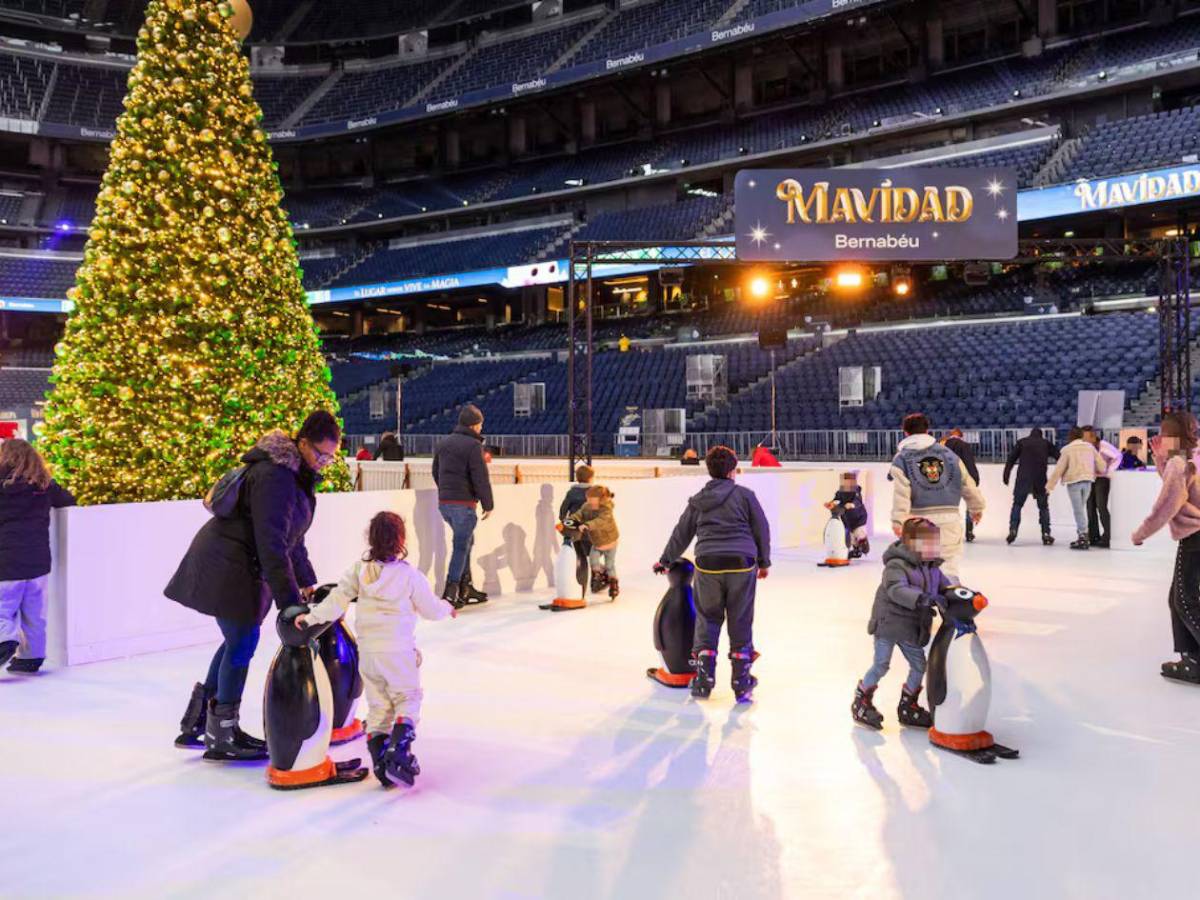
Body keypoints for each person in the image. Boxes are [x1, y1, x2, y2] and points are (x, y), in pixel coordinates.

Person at [165, 411, 341, 760]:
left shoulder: (295, 475)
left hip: (237, 563)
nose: (324, 463)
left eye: (330, 457)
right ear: (302, 443)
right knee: (243, 641)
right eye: (319, 454)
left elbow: (293, 538)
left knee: (235, 640)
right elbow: (272, 542)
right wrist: (288, 604)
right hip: (228, 565)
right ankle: (223, 735)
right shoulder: (276, 476)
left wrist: (306, 581)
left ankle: (200, 721)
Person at [295, 511, 456, 788]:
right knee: (407, 698)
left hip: (368, 653)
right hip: (398, 651)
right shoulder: (409, 576)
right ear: (401, 539)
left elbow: (335, 602)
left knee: (379, 706)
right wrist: (448, 608)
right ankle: (399, 750)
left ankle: (381, 765)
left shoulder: (358, 571)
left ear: (370, 539)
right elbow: (430, 609)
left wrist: (309, 618)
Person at [655, 445, 771, 702]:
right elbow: (761, 528)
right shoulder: (745, 496)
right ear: (733, 470)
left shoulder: (698, 500)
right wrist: (764, 562)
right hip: (742, 563)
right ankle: (741, 682)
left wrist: (665, 560)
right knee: (740, 619)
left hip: (708, 564)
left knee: (707, 618)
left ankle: (703, 680)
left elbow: (681, 532)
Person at [851, 517, 950, 730]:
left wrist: (959, 595)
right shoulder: (896, 565)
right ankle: (861, 700)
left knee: (919, 665)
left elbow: (945, 587)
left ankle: (908, 705)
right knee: (881, 665)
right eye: (928, 542)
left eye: (935, 541)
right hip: (888, 623)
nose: (934, 546)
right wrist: (923, 598)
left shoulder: (932, 567)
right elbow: (897, 589)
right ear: (910, 543)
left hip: (910, 627)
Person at [1132, 412, 1200, 684]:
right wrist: (1162, 459)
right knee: (1180, 598)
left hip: (1195, 536)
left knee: (1184, 601)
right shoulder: (1190, 457)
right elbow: (1178, 487)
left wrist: (1141, 533)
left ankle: (1193, 660)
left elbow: (1167, 504)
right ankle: (1192, 660)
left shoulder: (1179, 462)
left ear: (1172, 434)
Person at [0, 439, 75, 674]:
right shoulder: (45, 485)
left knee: (2, 608)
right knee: (35, 614)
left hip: (6, 561)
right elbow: (69, 500)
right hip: (38, 562)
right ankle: (31, 658)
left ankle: (5, 639)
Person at [890, 413, 984, 582]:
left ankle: (923, 605)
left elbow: (901, 493)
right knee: (949, 568)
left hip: (919, 521)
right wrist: (976, 508)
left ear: (905, 432)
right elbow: (967, 483)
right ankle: (952, 604)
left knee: (921, 570)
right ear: (927, 430)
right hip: (949, 519)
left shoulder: (901, 459)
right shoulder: (950, 455)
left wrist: (898, 521)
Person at [432, 404, 494, 609]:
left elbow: (435, 472)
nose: (481, 429)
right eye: (480, 425)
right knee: (461, 546)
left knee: (467, 541)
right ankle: (451, 590)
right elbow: (480, 478)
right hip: (463, 505)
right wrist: (488, 503)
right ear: (475, 425)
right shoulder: (473, 446)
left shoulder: (444, 443)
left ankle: (466, 588)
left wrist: (446, 492)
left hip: (445, 504)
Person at [1047, 426, 1107, 551]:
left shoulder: (1067, 450)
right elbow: (1102, 465)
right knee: (1081, 509)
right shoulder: (1090, 448)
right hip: (1088, 481)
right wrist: (1097, 471)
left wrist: (1049, 486)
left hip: (1074, 481)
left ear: (1070, 436)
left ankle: (1083, 536)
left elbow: (1059, 469)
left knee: (1078, 510)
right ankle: (1083, 534)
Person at [1003, 427, 1060, 545]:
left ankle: (1013, 529)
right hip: (1040, 479)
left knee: (1017, 505)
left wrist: (1006, 475)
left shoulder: (1022, 442)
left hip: (1023, 479)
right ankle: (1046, 533)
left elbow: (1011, 459)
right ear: (1041, 435)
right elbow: (1059, 457)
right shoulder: (1046, 444)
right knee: (1043, 507)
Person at [572, 485, 620, 599]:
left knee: (609, 565)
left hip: (610, 542)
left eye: (591, 499)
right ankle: (598, 577)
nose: (588, 501)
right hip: (597, 543)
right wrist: (571, 520)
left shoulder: (607, 509)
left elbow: (600, 521)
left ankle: (614, 585)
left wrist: (587, 525)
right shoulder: (587, 506)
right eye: (587, 498)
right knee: (593, 560)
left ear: (600, 499)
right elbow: (580, 514)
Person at [1082, 426, 1121, 549]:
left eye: (1086, 437)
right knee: (1090, 507)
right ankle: (1093, 536)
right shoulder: (1087, 448)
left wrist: (1109, 472)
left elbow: (1118, 456)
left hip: (1102, 479)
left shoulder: (1103, 446)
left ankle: (1108, 536)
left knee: (1101, 506)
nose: (1084, 440)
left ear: (1093, 437)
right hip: (1091, 478)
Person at [941, 429, 981, 543]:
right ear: (961, 436)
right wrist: (974, 478)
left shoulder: (942, 446)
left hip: (947, 479)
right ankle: (969, 532)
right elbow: (969, 462)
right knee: (969, 504)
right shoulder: (964, 446)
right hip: (963, 478)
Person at [827, 471, 869, 558]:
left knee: (858, 532)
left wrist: (852, 504)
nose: (846, 484)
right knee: (851, 536)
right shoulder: (840, 492)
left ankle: (863, 542)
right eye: (844, 482)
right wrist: (832, 503)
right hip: (847, 518)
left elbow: (858, 501)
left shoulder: (856, 492)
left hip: (858, 517)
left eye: (848, 482)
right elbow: (836, 498)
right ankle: (856, 551)